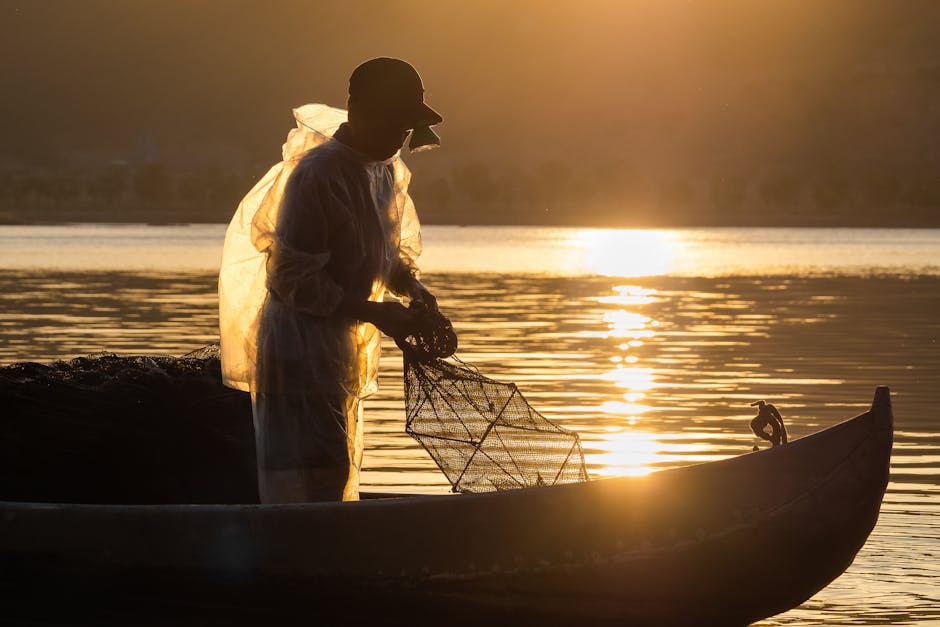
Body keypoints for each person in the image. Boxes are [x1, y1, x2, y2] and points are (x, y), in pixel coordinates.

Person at [218, 58, 445, 503]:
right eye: (390, 122)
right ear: (355, 111)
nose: (397, 137)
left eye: (404, 127)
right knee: (309, 477)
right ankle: (298, 565)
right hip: (297, 349)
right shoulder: (317, 174)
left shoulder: (384, 172)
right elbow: (291, 278)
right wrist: (375, 313)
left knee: (335, 469)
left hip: (339, 347)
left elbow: (387, 256)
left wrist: (411, 288)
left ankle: (319, 560)